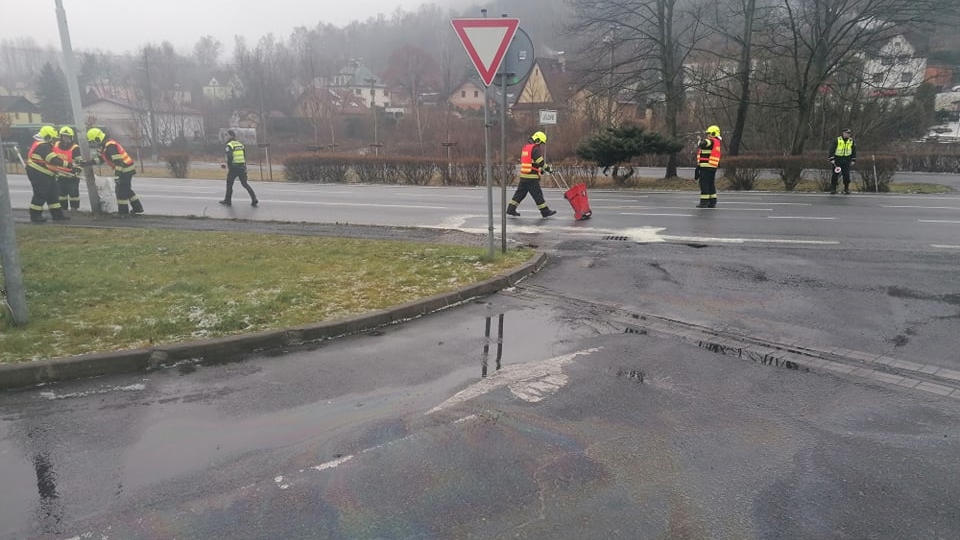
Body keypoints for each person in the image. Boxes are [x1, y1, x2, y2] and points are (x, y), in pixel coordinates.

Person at [85, 128, 143, 217]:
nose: (94, 144)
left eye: (94, 141)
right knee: (127, 190)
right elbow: (100, 159)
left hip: (125, 170)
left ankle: (123, 213)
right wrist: (87, 163)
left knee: (120, 191)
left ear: (98, 138)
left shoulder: (110, 146)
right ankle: (137, 208)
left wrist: (117, 176)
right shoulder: (104, 146)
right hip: (126, 169)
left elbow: (119, 162)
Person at [506, 131, 556, 218]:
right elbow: (540, 162)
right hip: (531, 177)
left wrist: (540, 170)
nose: (541, 144)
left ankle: (511, 209)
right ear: (537, 140)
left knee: (520, 194)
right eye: (541, 142)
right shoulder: (535, 148)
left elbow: (531, 162)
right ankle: (545, 211)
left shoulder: (526, 147)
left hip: (524, 175)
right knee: (538, 194)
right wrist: (548, 169)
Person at [25, 125, 70, 223]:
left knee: (53, 194)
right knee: (40, 194)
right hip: (39, 174)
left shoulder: (41, 144)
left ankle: (57, 215)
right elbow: (53, 160)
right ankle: (35, 215)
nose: (54, 141)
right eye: (53, 138)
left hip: (46, 174)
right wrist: (69, 165)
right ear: (48, 137)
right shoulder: (43, 146)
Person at [219, 130, 258, 207]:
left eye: (226, 135)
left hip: (234, 167)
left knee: (229, 183)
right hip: (242, 167)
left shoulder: (229, 145)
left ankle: (228, 200)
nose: (225, 137)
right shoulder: (240, 144)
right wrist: (244, 167)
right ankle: (254, 199)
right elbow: (243, 156)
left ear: (230, 136)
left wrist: (229, 166)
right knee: (245, 184)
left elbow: (230, 157)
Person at [52, 126, 83, 211]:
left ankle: (74, 210)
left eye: (67, 136)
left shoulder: (75, 148)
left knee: (73, 195)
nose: (66, 138)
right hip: (59, 175)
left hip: (72, 176)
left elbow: (79, 162)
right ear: (61, 137)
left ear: (71, 137)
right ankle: (63, 210)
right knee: (61, 195)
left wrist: (77, 171)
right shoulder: (56, 145)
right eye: (64, 136)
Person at [696, 125, 722, 208]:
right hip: (712, 167)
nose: (708, 135)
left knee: (704, 184)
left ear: (713, 133)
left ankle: (704, 202)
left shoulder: (711, 141)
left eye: (709, 133)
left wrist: (700, 141)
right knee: (711, 184)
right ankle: (712, 201)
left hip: (706, 166)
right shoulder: (717, 142)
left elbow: (703, 144)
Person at [828, 128, 856, 194]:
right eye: (846, 133)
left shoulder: (851, 141)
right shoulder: (837, 140)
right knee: (835, 174)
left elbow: (853, 150)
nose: (847, 134)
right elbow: (832, 149)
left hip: (847, 159)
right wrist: (831, 159)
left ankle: (846, 188)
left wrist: (853, 159)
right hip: (838, 159)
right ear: (843, 133)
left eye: (849, 133)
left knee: (846, 175)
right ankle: (833, 188)